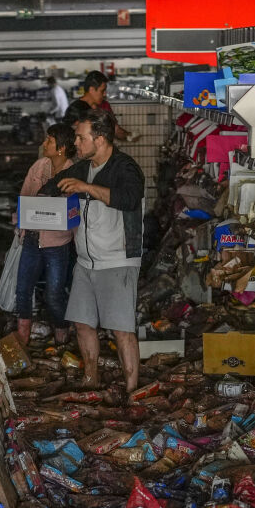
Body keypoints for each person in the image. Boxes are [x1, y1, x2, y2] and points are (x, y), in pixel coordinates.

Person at [56, 108, 145, 391]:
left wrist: (87, 187)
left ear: (102, 138)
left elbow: (129, 199)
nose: (77, 145)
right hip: (85, 262)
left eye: (81, 139)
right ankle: (90, 379)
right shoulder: (83, 166)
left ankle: (132, 390)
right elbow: (52, 187)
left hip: (117, 261)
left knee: (122, 330)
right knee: (82, 324)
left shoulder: (125, 167)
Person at [11, 122, 76, 347]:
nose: (44, 144)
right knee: (22, 290)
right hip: (31, 239)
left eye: (49, 140)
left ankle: (61, 337)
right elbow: (25, 197)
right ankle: (22, 341)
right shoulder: (39, 167)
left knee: (54, 295)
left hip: (58, 244)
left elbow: (74, 213)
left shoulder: (74, 173)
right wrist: (19, 222)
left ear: (62, 148)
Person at [81, 70, 130, 142]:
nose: (104, 94)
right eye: (102, 91)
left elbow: (116, 130)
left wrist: (129, 136)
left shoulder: (105, 105)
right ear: (91, 90)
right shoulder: (76, 108)